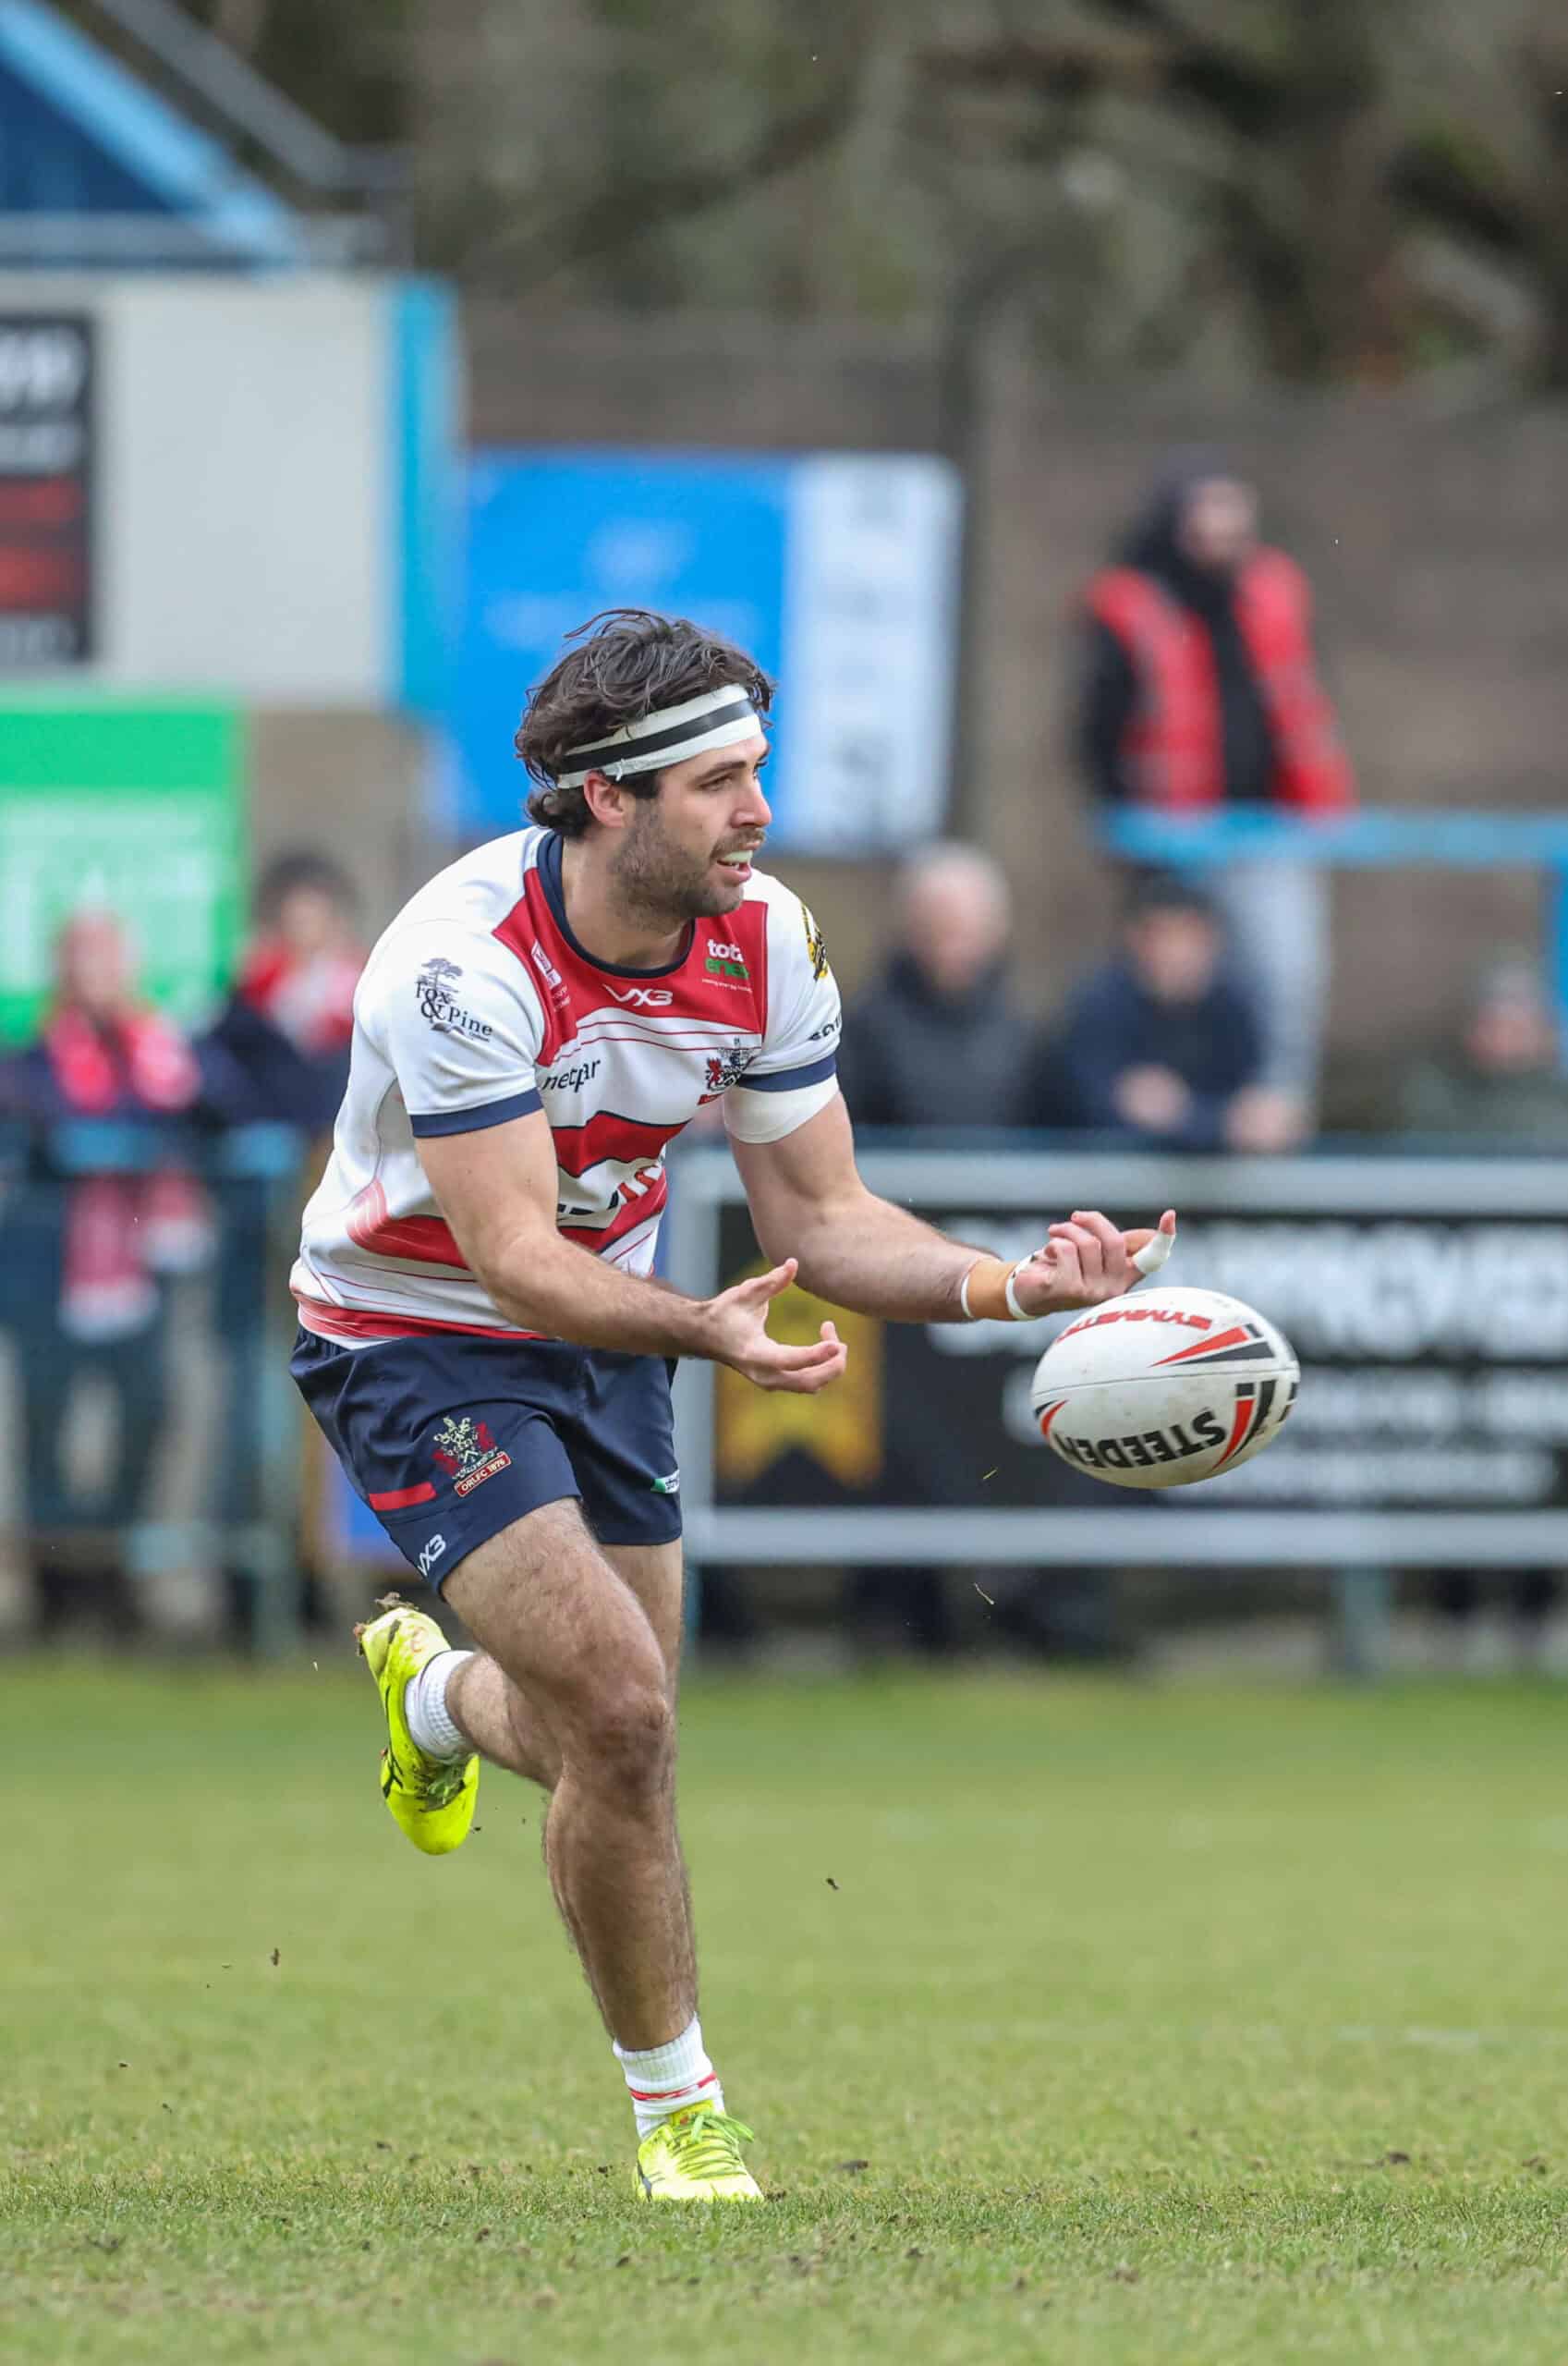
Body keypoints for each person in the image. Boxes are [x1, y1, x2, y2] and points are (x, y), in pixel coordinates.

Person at [289, 606, 1175, 2201]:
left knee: (617, 1736)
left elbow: (823, 1222)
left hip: (625, 1331)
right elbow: (511, 1263)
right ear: (605, 798)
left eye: (758, 773)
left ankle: (436, 1703)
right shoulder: (458, 965)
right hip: (416, 1335)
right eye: (717, 785)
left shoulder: (766, 940)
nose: (758, 814)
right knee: (622, 1714)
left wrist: (1011, 1286)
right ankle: (680, 2115)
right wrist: (702, 1331)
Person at [1076, 456, 1355, 1140]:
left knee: (1285, 976)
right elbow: (1097, 728)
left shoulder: (1273, 595)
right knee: (1170, 980)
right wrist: (1128, 827)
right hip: (1172, 837)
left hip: (1269, 829)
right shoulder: (1131, 605)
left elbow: (1300, 700)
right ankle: (1160, 1121)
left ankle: (1275, 1117)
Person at [0, 911, 204, 1638]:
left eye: (108, 959)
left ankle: (117, 1568)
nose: (97, 975)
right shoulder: (30, 1059)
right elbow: (43, 1120)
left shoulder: (153, 1049)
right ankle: (58, 1580)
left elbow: (198, 1109)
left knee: (147, 1415)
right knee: (45, 1424)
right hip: (48, 1276)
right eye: (83, 959)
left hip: (139, 1274)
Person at [197, 852, 367, 1648]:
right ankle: (254, 1591)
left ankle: (336, 1586)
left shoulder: (373, 1003)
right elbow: (207, 1097)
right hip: (258, 1255)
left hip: (353, 1265)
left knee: (340, 1421)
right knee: (251, 1420)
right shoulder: (238, 1014)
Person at [1397, 953, 1568, 1663]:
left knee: (1543, 1461)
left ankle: (1532, 1612)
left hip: (1543, 1319)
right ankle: (1456, 1614)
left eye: (1519, 1019)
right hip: (1456, 1315)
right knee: (1456, 1460)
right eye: (1496, 1018)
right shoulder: (1434, 1094)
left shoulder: (1553, 1100)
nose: (1505, 1033)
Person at [1053, 872, 1282, 1153]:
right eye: (1162, 935)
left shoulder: (1235, 1004)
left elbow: (1255, 1110)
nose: (1176, 951)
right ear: (1133, 938)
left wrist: (1184, 1114)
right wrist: (1213, 1121)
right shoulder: (1099, 1005)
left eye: (1189, 936)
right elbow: (1090, 1108)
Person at [835, 843, 1044, 1132]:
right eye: (937, 926)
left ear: (996, 929)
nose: (950, 946)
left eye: (963, 929)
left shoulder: (1025, 1038)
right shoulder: (861, 1034)